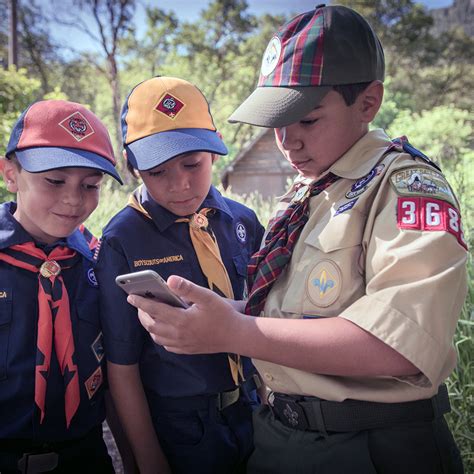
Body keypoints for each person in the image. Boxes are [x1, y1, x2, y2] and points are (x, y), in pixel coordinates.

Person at [129, 5, 468, 474]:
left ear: (368, 102)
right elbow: (291, 317)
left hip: (369, 447)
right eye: (278, 122)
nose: (287, 142)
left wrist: (235, 332)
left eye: (307, 120)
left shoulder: (402, 188)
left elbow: (397, 344)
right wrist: (218, 315)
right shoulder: (306, 195)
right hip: (282, 437)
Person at [95, 76, 265, 474]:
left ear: (215, 148)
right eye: (158, 172)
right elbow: (122, 363)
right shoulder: (123, 239)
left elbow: (269, 310)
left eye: (193, 163)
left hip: (254, 410)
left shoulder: (242, 222)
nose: (181, 184)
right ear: (133, 166)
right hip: (181, 427)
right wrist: (148, 458)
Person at [0, 99, 123, 474]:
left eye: (90, 185)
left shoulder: (101, 263)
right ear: (10, 174)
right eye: (54, 180)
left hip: (85, 459)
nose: (73, 199)